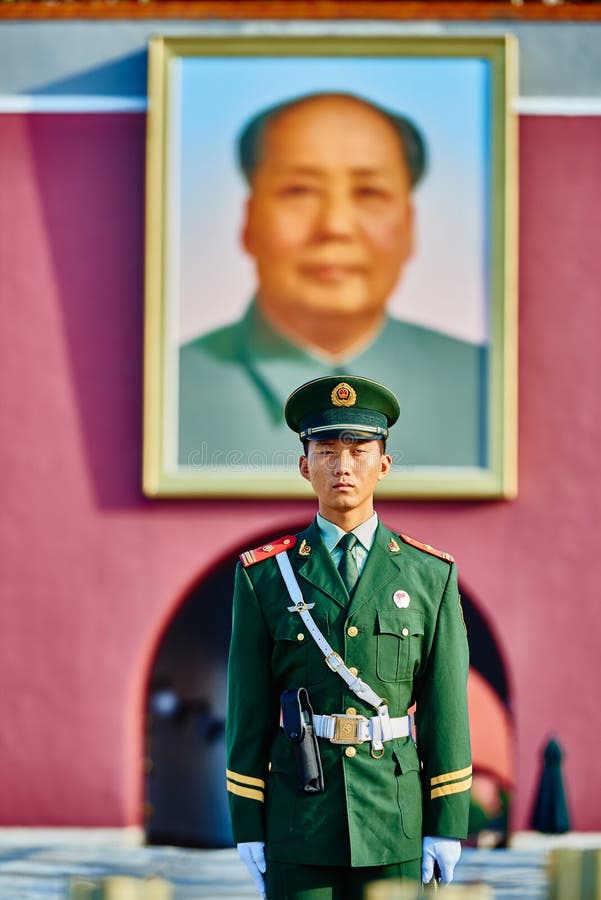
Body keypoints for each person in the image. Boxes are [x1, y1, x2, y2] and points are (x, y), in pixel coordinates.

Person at [226, 375, 472, 899]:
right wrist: (248, 821)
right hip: (300, 819)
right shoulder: (265, 575)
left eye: (359, 450)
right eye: (327, 450)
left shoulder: (430, 576)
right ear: (303, 465)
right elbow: (248, 709)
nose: (343, 466)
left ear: (384, 464)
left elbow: (444, 707)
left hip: (395, 816)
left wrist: (447, 819)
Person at [179, 91, 485, 470]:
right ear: (250, 220)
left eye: (369, 192)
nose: (335, 227)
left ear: (409, 226)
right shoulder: (171, 392)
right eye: (300, 191)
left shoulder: (486, 388)